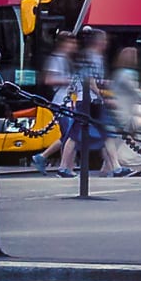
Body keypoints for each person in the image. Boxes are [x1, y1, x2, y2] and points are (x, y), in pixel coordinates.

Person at [48, 27, 111, 178]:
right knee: (74, 135)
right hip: (79, 101)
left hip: (82, 100)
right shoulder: (85, 57)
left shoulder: (80, 58)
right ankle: (63, 166)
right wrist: (101, 94)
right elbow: (89, 81)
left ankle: (113, 166)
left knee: (90, 134)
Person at [105, 45, 141, 177]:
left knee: (121, 139)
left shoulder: (118, 73)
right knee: (124, 139)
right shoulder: (128, 74)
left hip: (120, 111)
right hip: (125, 112)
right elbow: (134, 92)